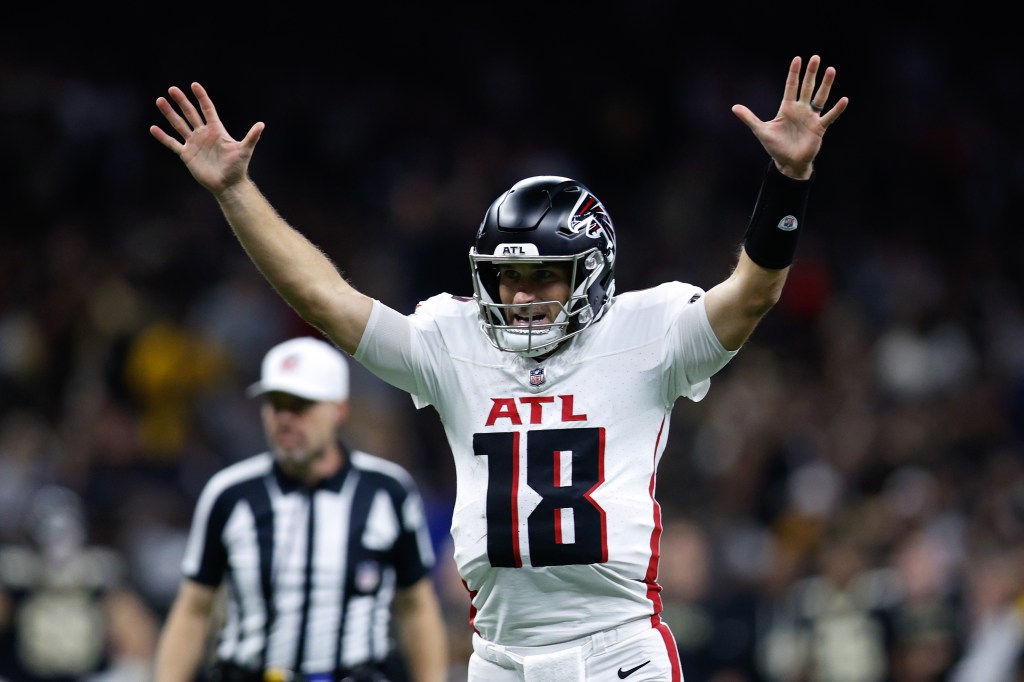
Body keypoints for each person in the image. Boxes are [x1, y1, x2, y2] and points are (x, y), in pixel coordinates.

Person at [150, 54, 847, 682]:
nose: (520, 297)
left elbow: (755, 294)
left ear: (591, 274)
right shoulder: (456, 341)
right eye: (508, 278)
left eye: (545, 276)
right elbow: (325, 300)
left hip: (616, 650)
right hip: (498, 656)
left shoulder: (648, 331)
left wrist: (789, 179)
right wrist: (234, 192)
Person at [152, 337, 449, 682]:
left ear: (339, 410)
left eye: (300, 405)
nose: (284, 418)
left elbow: (416, 607)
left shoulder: (387, 491)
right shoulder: (230, 493)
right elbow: (193, 609)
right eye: (275, 404)